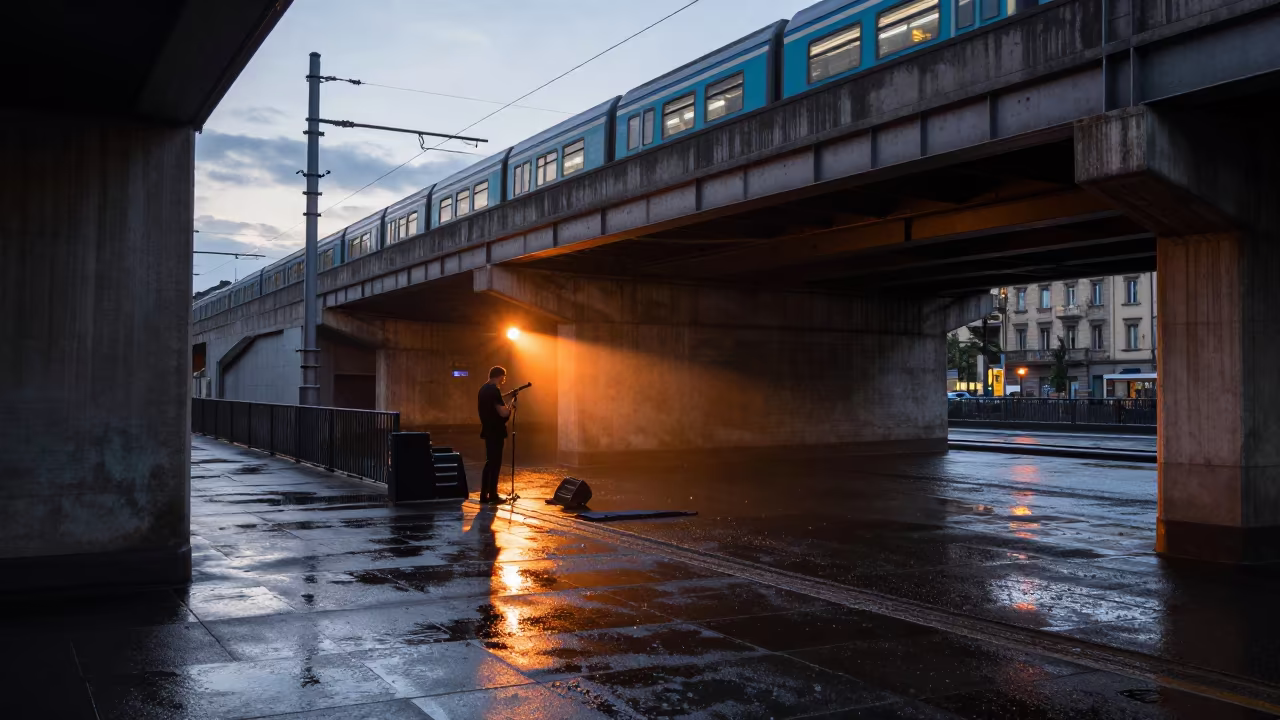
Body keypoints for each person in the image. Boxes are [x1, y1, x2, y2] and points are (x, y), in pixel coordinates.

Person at [477, 366, 512, 504]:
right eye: (503, 376)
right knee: (495, 463)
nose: (504, 379)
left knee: (489, 462)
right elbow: (503, 413)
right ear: (499, 376)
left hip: (487, 430)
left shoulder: (483, 389)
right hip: (496, 431)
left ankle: (484, 495)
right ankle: (493, 495)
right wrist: (511, 405)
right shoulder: (494, 390)